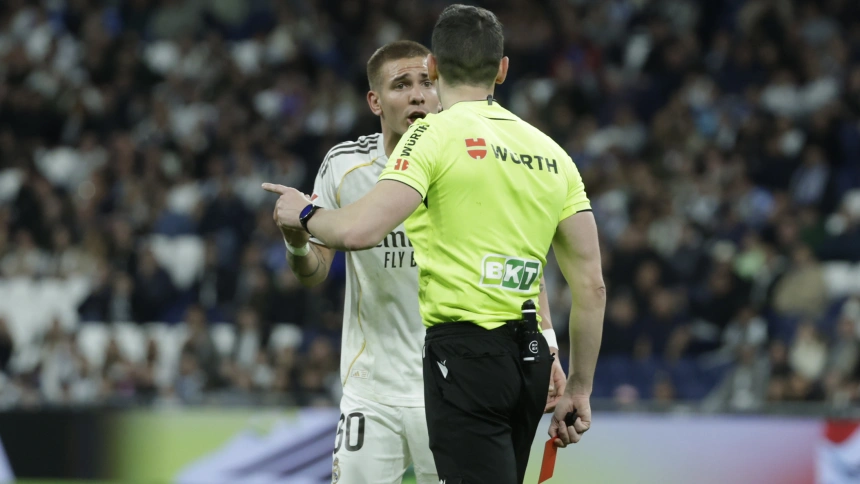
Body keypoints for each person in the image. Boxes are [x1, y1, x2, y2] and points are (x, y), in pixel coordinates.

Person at [263, 6, 605, 484]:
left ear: (438, 71)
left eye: (424, 82)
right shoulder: (548, 151)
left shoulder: (435, 139)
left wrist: (303, 214)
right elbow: (580, 280)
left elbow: (361, 232)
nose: (418, 95)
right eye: (401, 85)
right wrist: (569, 374)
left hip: (452, 367)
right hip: (392, 383)